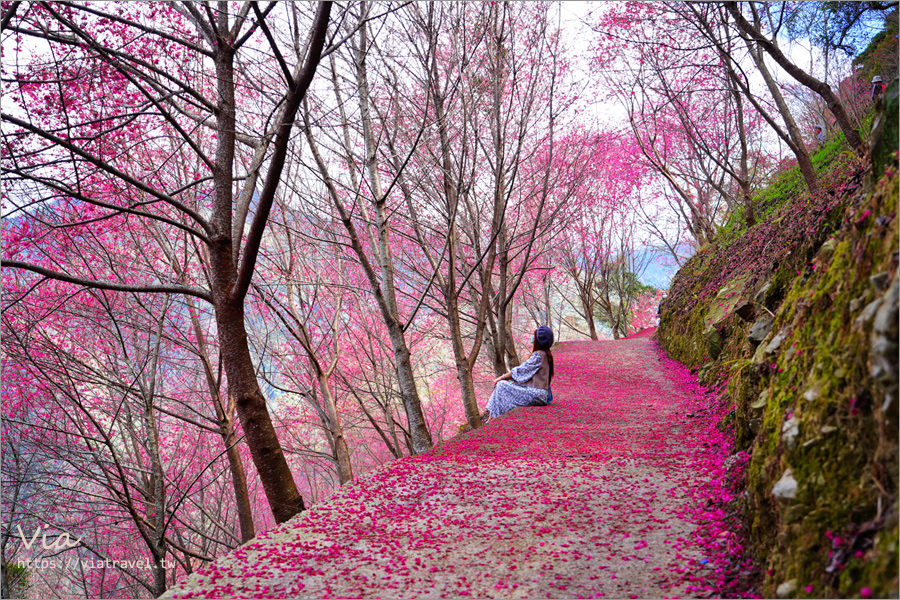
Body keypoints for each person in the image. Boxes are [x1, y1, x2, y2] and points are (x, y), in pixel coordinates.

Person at [484, 326, 554, 420]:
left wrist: (502, 377)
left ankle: (492, 419)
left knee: (501, 385)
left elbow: (521, 370)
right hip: (540, 394)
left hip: (537, 394)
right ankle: (491, 418)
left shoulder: (539, 355)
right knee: (504, 387)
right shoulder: (546, 354)